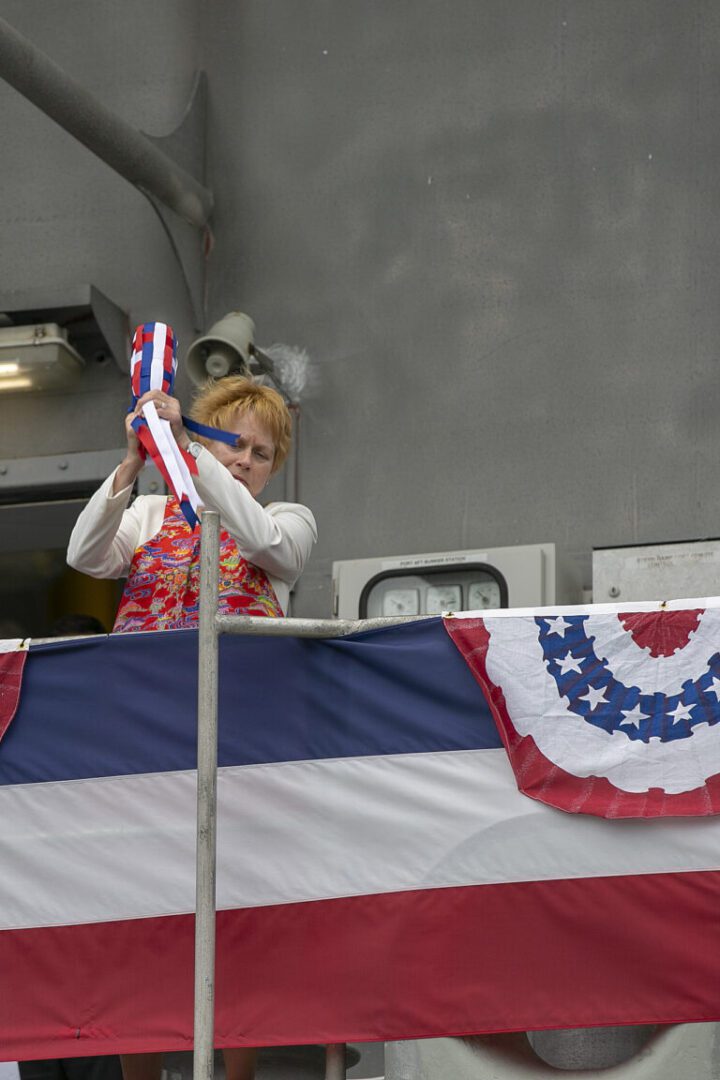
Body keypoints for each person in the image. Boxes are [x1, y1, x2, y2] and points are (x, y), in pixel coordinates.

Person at [67, 376, 317, 1080]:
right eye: (231, 441)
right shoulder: (147, 513)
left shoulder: (290, 518)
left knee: (238, 923)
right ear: (199, 435)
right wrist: (136, 463)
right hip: (141, 742)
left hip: (240, 743)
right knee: (140, 917)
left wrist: (195, 458)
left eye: (261, 453)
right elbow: (84, 557)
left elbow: (270, 544)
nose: (244, 460)